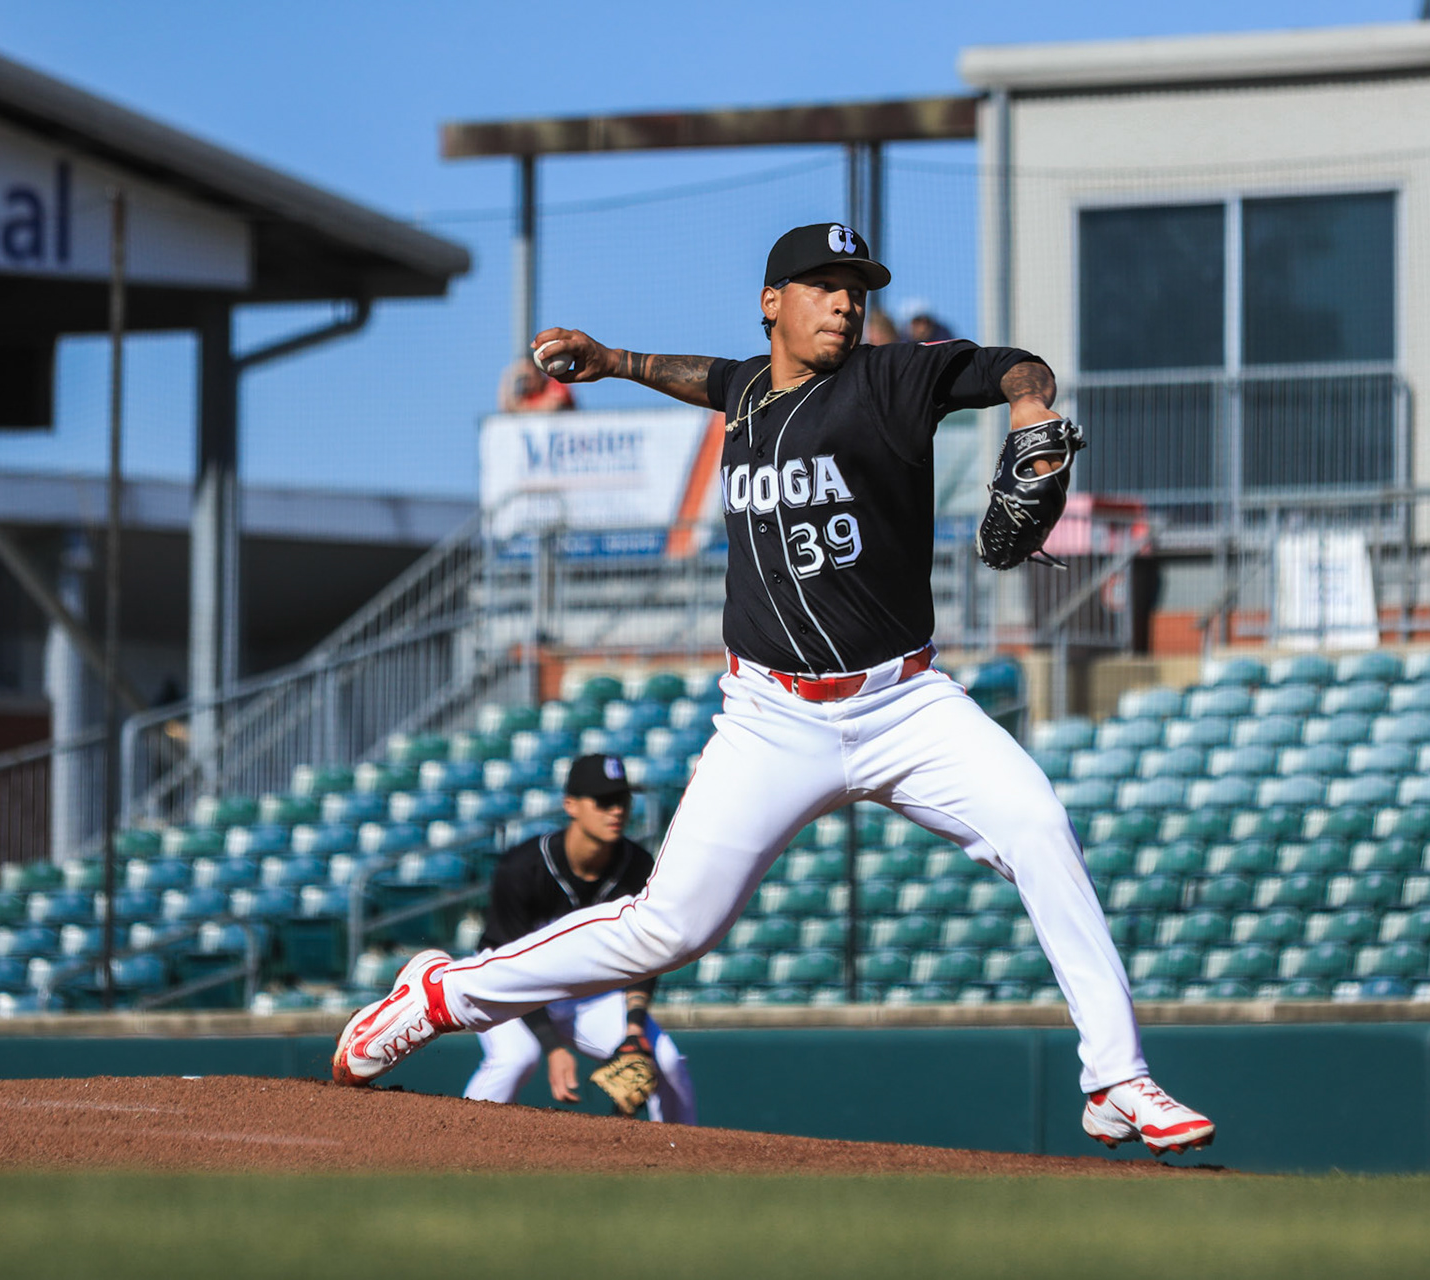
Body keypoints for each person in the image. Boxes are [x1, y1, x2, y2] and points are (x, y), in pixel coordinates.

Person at [335, 222, 1214, 1156]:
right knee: (666, 929)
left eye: (857, 286)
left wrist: (1033, 414)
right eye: (823, 284)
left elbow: (1017, 366)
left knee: (1040, 829)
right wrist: (615, 360)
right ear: (772, 302)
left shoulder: (892, 378)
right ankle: (442, 996)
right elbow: (705, 377)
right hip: (771, 716)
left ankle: (1118, 1080)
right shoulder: (749, 390)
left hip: (904, 705)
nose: (845, 300)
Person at [462, 754, 696, 1123]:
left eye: (622, 799)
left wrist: (634, 1029)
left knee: (665, 1060)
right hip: (503, 986)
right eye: (603, 801)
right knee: (516, 1059)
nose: (616, 810)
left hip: (582, 994)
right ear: (570, 805)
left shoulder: (637, 867)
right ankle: (461, 1142)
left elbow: (646, 956)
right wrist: (553, 1048)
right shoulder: (522, 869)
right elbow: (505, 963)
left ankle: (684, 1164)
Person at [498, 357, 577, 413]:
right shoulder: (527, 395)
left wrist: (523, 409)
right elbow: (508, 407)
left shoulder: (555, 383)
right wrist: (508, 376)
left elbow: (553, 406)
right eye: (523, 378)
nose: (526, 382)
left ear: (538, 373)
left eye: (529, 377)